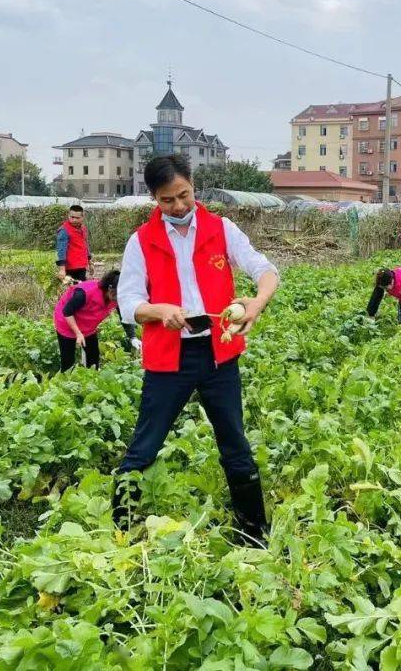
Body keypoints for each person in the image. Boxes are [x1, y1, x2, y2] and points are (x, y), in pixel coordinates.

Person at [114, 155, 279, 543]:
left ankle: (255, 535)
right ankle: (121, 534)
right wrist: (159, 311)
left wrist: (257, 303)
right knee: (144, 446)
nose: (179, 206)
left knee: (235, 444)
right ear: (153, 198)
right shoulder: (141, 241)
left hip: (218, 355)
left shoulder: (220, 228)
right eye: (167, 200)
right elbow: (129, 301)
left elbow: (265, 269)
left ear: (193, 185)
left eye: (184, 195)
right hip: (168, 358)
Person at [53, 270, 138, 371]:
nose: (120, 300)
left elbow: (124, 317)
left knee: (93, 359)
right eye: (118, 296)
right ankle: (64, 382)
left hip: (88, 326)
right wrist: (78, 333)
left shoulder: (117, 297)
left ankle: (91, 379)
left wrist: (132, 337)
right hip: (66, 322)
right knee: (68, 361)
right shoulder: (85, 293)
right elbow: (67, 312)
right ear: (110, 289)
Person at [56, 205, 92, 282]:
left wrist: (90, 262)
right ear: (68, 216)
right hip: (70, 268)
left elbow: (85, 245)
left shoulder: (83, 228)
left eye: (77, 218)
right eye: (72, 217)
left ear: (82, 217)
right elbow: (61, 250)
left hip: (82, 266)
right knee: (73, 291)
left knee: (82, 288)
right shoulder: (64, 230)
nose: (74, 220)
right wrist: (62, 269)